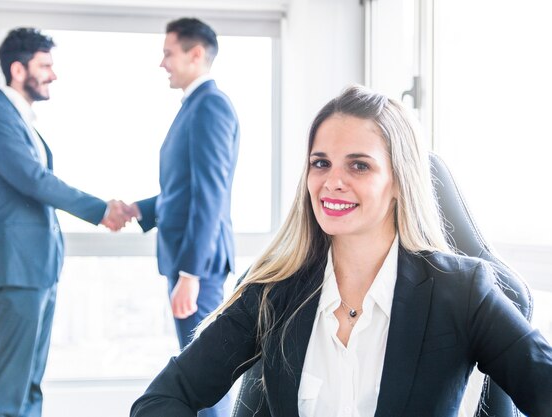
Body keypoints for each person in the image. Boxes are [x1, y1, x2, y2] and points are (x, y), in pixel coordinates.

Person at [130, 85, 552, 417]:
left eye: (359, 165)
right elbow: (163, 397)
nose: (332, 181)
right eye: (321, 163)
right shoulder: (274, 292)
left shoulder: (461, 292)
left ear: (399, 182)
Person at [0, 27, 136, 417]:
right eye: (44, 65)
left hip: (38, 269)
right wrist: (101, 210)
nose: (53, 74)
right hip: (16, 270)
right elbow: (34, 180)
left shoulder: (21, 119)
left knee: (29, 383)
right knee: (9, 387)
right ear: (17, 69)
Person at [131, 17, 239, 417]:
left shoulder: (210, 105)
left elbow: (210, 194)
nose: (163, 63)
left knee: (203, 377)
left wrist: (190, 274)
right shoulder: (195, 105)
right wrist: (140, 210)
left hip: (200, 267)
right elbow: (185, 192)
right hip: (192, 263)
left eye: (168, 53)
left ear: (196, 54)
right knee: (196, 371)